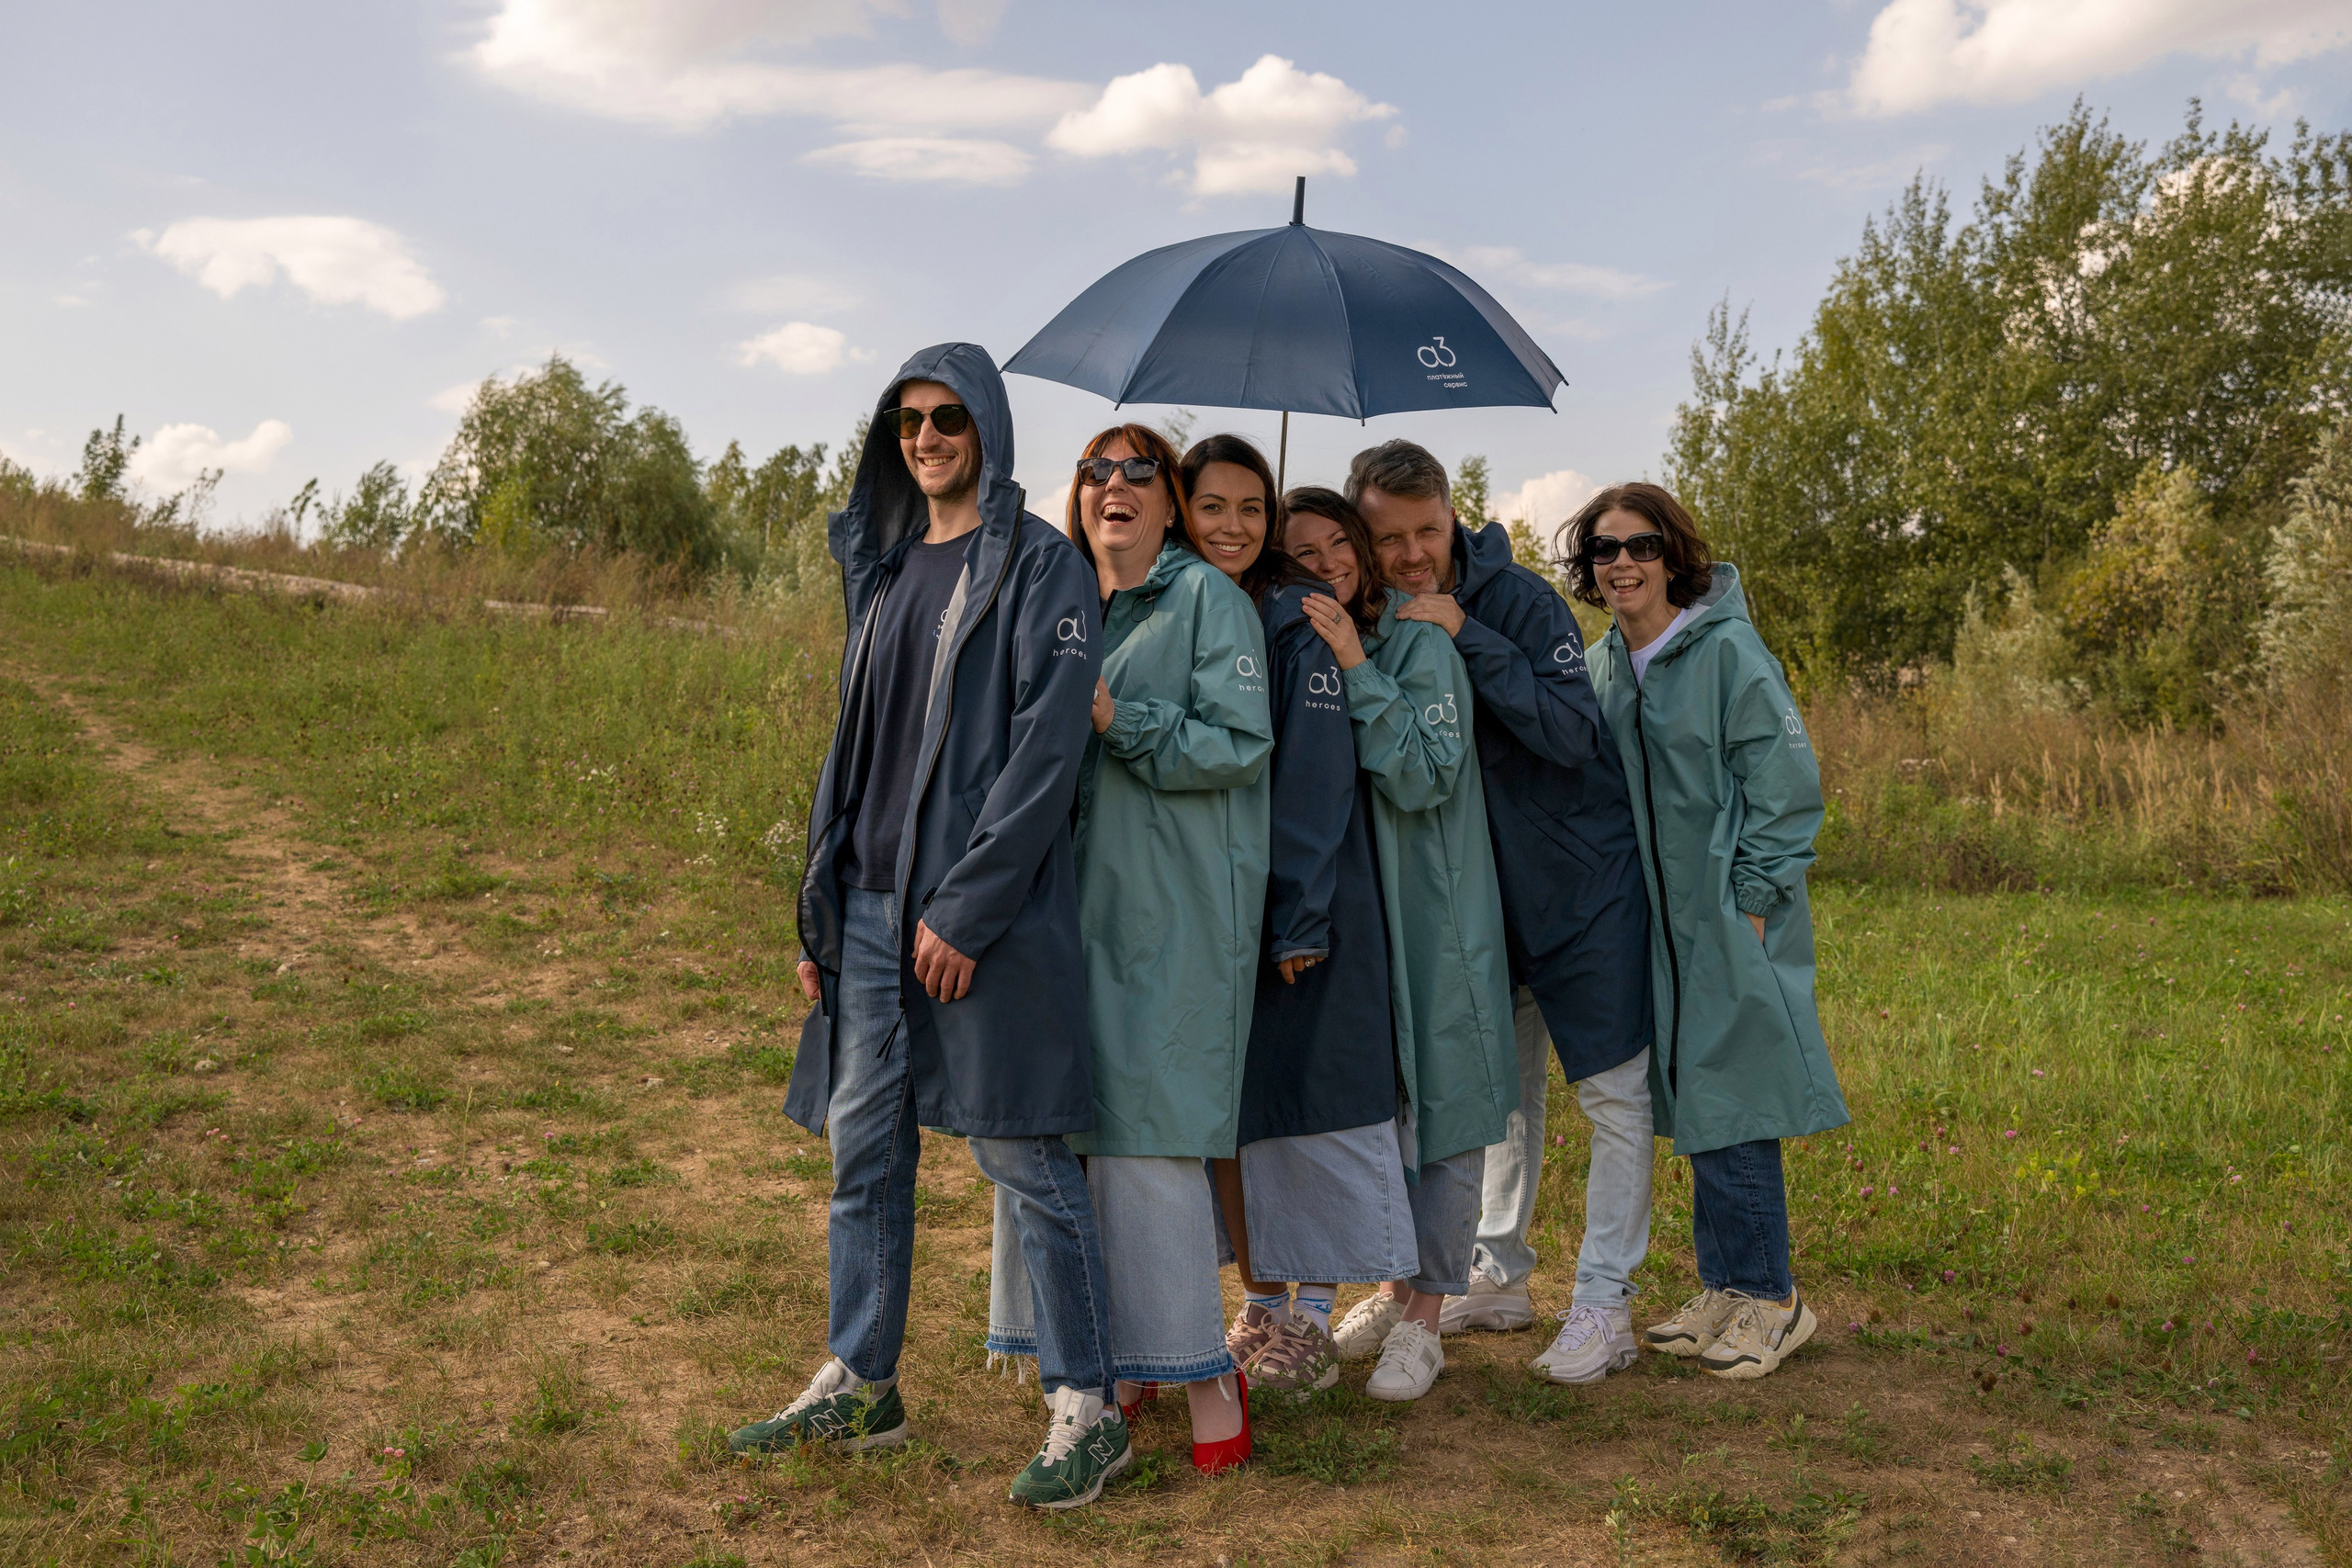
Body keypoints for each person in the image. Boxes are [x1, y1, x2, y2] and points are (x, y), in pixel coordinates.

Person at [755, 344, 1129, 1512]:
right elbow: (852, 755)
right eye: (909, 420)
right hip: (867, 913)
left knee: (1021, 1151)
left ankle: (1088, 1405)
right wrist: (824, 917)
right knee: (863, 1154)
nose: (927, 437)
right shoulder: (882, 569)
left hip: (981, 918)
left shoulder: (1040, 567)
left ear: (988, 428)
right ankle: (863, 1380)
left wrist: (965, 906)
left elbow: (1044, 751)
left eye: (949, 417)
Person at [987, 423, 1271, 1472]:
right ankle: (1105, 1363)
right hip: (1058, 911)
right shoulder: (1056, 598)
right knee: (1068, 1134)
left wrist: (1121, 719)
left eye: (1138, 471)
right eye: (1096, 470)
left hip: (1171, 916)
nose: (1114, 484)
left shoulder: (1208, 601)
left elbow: (1241, 744)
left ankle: (1205, 1372)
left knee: (1150, 1144)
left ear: (1169, 501)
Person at [1346, 439, 1657, 1387]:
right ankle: (1494, 1270)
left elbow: (1571, 733)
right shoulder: (1375, 611)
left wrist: (1463, 634)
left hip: (1575, 888)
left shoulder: (1517, 601)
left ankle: (1604, 1303)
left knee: (1612, 1097)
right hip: (1478, 907)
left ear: (1452, 514)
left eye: (1426, 532)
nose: (1409, 555)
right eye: (1387, 538)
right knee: (1498, 1096)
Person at [1569, 481, 1849, 1379]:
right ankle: (1723, 1286)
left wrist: (1755, 897)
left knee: (1735, 1098)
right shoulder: (1605, 665)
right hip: (1655, 925)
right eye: (1605, 550)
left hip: (1727, 914)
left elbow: (1783, 780)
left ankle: (1772, 1299)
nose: (1622, 564)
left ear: (1673, 556)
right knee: (1691, 1097)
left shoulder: (1727, 653)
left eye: (1640, 546)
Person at [1183, 453, 1414, 1400]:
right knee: (1243, 1119)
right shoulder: (1212, 609)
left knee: (1309, 1111)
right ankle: (1266, 1303)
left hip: (1299, 909)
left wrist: (1297, 917)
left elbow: (1316, 782)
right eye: (1212, 507)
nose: (1231, 525)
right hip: (1228, 909)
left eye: (1251, 509)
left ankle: (1310, 1318)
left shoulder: (1297, 623)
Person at [1300, 489, 1517, 1404]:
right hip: (1358, 918)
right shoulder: (1294, 646)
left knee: (1447, 1107)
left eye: (1334, 546)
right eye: (1298, 552)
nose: (1324, 565)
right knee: (1380, 1110)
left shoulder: (1419, 641)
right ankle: (1394, 1292)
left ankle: (1429, 1316)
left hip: (1434, 912)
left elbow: (1426, 776)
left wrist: (1355, 661)